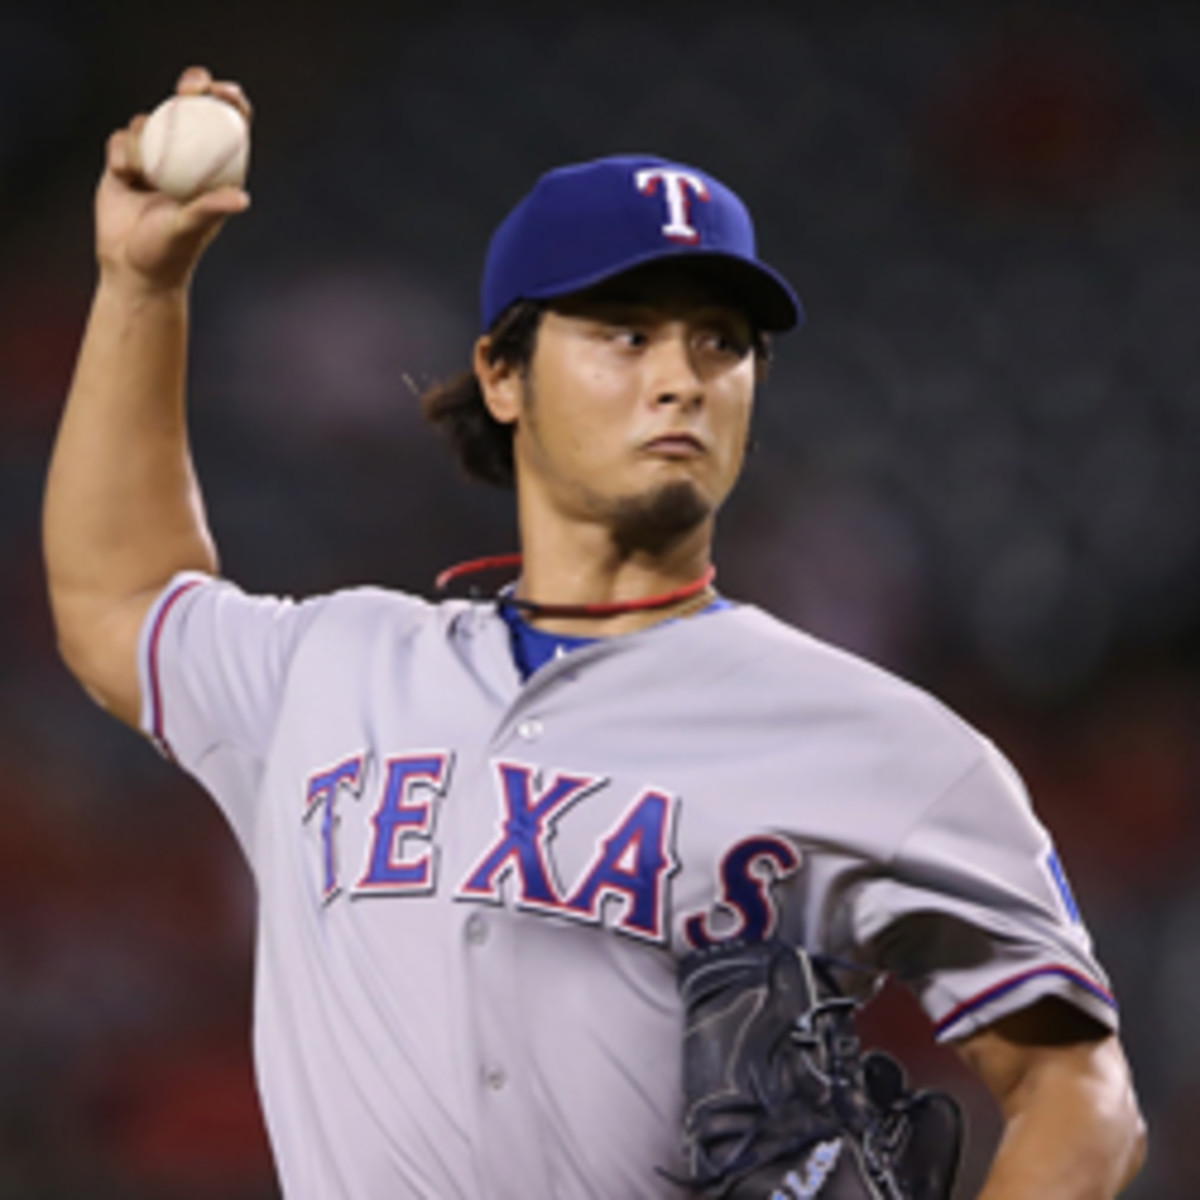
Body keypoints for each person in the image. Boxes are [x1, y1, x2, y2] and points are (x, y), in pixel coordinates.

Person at [45, 66, 1145, 1199]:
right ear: (502, 375)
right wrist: (141, 286)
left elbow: (1080, 1089)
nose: (681, 379)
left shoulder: (885, 744)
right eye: (625, 334)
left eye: (721, 342)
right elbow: (119, 602)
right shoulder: (335, 668)